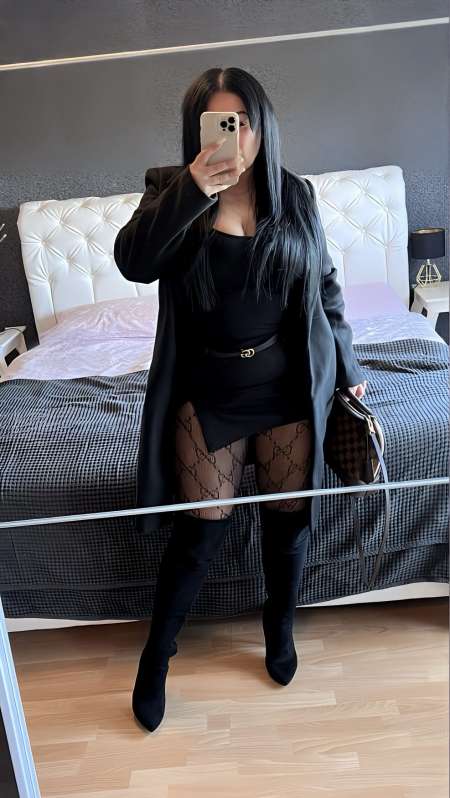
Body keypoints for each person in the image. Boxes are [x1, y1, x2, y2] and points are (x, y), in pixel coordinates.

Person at [114, 66, 367, 733]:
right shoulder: (168, 189)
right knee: (199, 534)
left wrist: (347, 366)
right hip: (209, 393)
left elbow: (325, 287)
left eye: (244, 122)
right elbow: (134, 262)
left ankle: (279, 627)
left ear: (263, 126)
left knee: (289, 524)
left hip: (286, 388)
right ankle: (156, 657)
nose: (236, 138)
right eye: (220, 123)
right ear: (198, 131)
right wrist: (194, 188)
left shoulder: (295, 195)